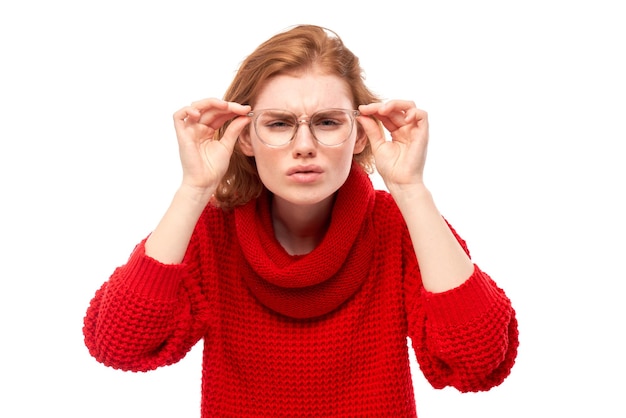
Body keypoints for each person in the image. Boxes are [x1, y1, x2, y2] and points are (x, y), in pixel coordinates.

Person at [83, 24, 518, 417]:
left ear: (361, 134)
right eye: (278, 123)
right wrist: (194, 190)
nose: (304, 145)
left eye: (328, 122)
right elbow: (119, 343)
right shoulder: (210, 232)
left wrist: (410, 190)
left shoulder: (399, 227)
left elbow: (479, 361)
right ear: (246, 137)